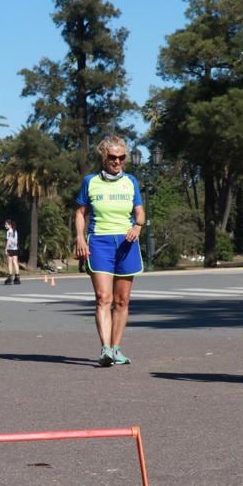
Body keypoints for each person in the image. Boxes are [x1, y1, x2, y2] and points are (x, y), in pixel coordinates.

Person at [75, 135, 145, 367]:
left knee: (122, 300)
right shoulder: (90, 181)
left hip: (126, 243)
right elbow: (80, 213)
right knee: (103, 298)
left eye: (121, 157)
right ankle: (105, 349)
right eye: (112, 157)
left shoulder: (131, 182)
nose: (117, 161)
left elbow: (140, 212)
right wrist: (80, 238)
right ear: (103, 157)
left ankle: (116, 349)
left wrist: (137, 226)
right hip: (99, 242)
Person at [3, 219, 20, 285]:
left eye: (6, 224)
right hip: (15, 249)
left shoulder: (9, 232)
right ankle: (17, 277)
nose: (5, 226)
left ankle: (10, 278)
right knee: (15, 262)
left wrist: (6, 249)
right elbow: (16, 241)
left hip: (10, 249)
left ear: (10, 225)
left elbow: (8, 241)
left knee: (10, 263)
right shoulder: (15, 231)